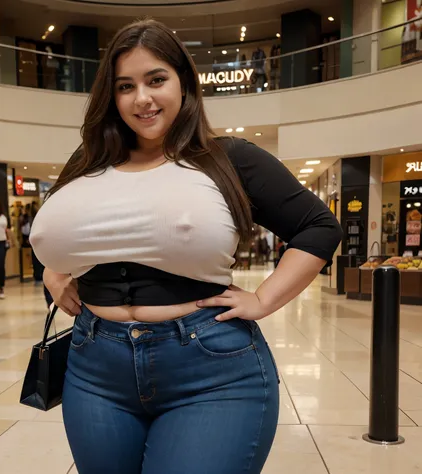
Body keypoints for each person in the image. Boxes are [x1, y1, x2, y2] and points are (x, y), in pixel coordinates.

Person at [30, 19, 342, 474]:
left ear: (184, 82)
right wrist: (54, 272)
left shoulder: (228, 158)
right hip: (95, 365)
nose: (142, 98)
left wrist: (264, 298)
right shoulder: (88, 161)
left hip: (210, 368)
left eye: (156, 79)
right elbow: (64, 233)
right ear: (110, 97)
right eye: (125, 86)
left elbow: (318, 227)